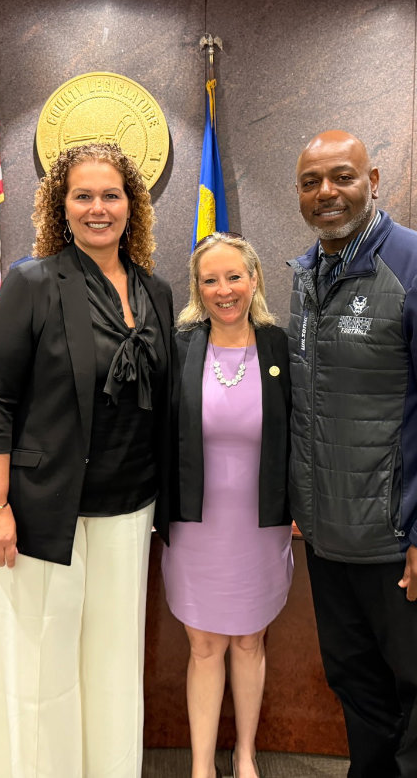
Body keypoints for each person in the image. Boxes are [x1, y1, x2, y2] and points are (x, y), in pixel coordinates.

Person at [0, 141, 174, 778]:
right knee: (40, 669)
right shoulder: (31, 282)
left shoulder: (156, 292)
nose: (98, 208)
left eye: (112, 195)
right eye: (83, 196)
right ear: (61, 205)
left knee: (112, 666)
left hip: (129, 509)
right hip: (40, 513)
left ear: (133, 206)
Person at [287, 130, 417, 777]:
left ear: (373, 181)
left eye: (342, 177)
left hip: (403, 545)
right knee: (358, 692)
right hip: (329, 542)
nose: (327, 192)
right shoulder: (303, 277)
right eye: (311, 181)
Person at [160, 232, 292, 778]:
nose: (224, 290)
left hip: (259, 527)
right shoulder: (181, 346)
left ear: (254, 280)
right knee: (205, 644)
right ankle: (200, 766)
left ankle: (244, 755)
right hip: (196, 527)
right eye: (210, 280)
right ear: (198, 288)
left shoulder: (280, 347)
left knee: (248, 639)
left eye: (234, 276)